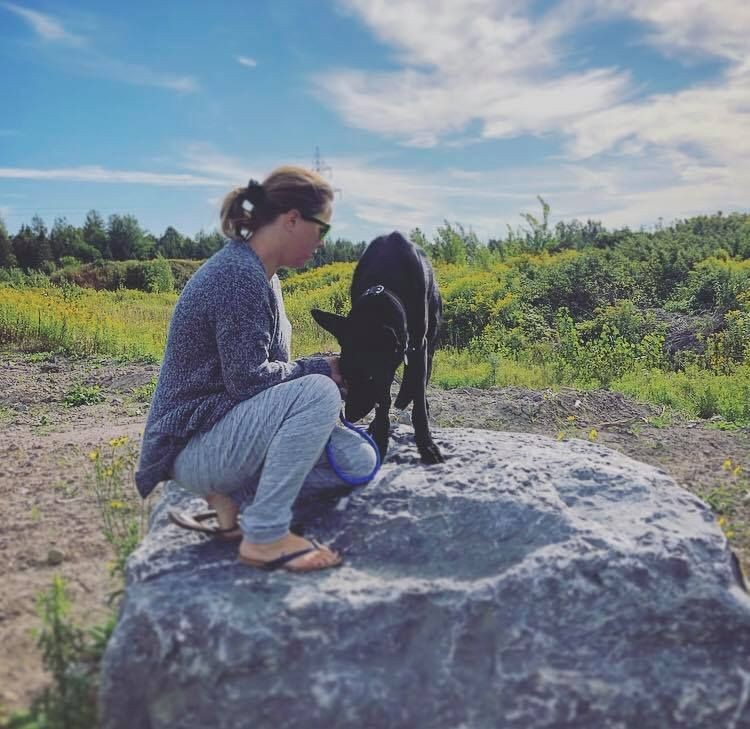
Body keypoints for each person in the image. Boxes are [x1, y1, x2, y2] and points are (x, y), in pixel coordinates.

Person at [135, 166, 377, 572]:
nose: (321, 243)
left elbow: (268, 380)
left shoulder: (265, 277)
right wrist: (319, 370)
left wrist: (315, 374)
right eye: (323, 230)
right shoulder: (238, 276)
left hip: (224, 434)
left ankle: (234, 503)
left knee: (356, 462)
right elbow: (248, 380)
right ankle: (264, 535)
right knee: (319, 391)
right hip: (194, 444)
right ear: (292, 219)